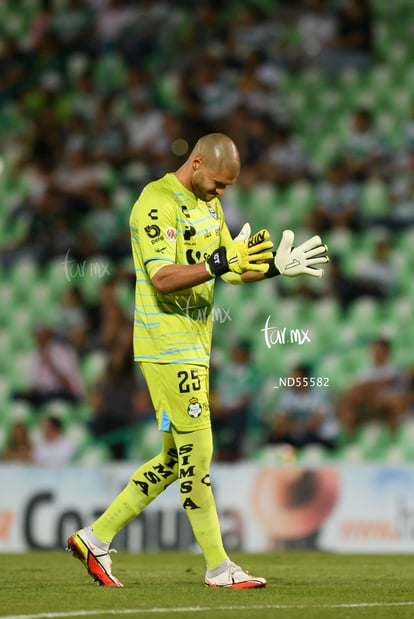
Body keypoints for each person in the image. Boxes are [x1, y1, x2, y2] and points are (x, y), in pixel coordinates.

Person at [67, 133, 328, 588]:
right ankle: (218, 566)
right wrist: (217, 263)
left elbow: (231, 264)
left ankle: (96, 537)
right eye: (218, 183)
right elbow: (163, 277)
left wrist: (271, 267)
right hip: (166, 346)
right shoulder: (155, 201)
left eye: (228, 187)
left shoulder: (210, 204)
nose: (222, 193)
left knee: (175, 459)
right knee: (200, 454)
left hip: (194, 346)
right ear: (198, 161)